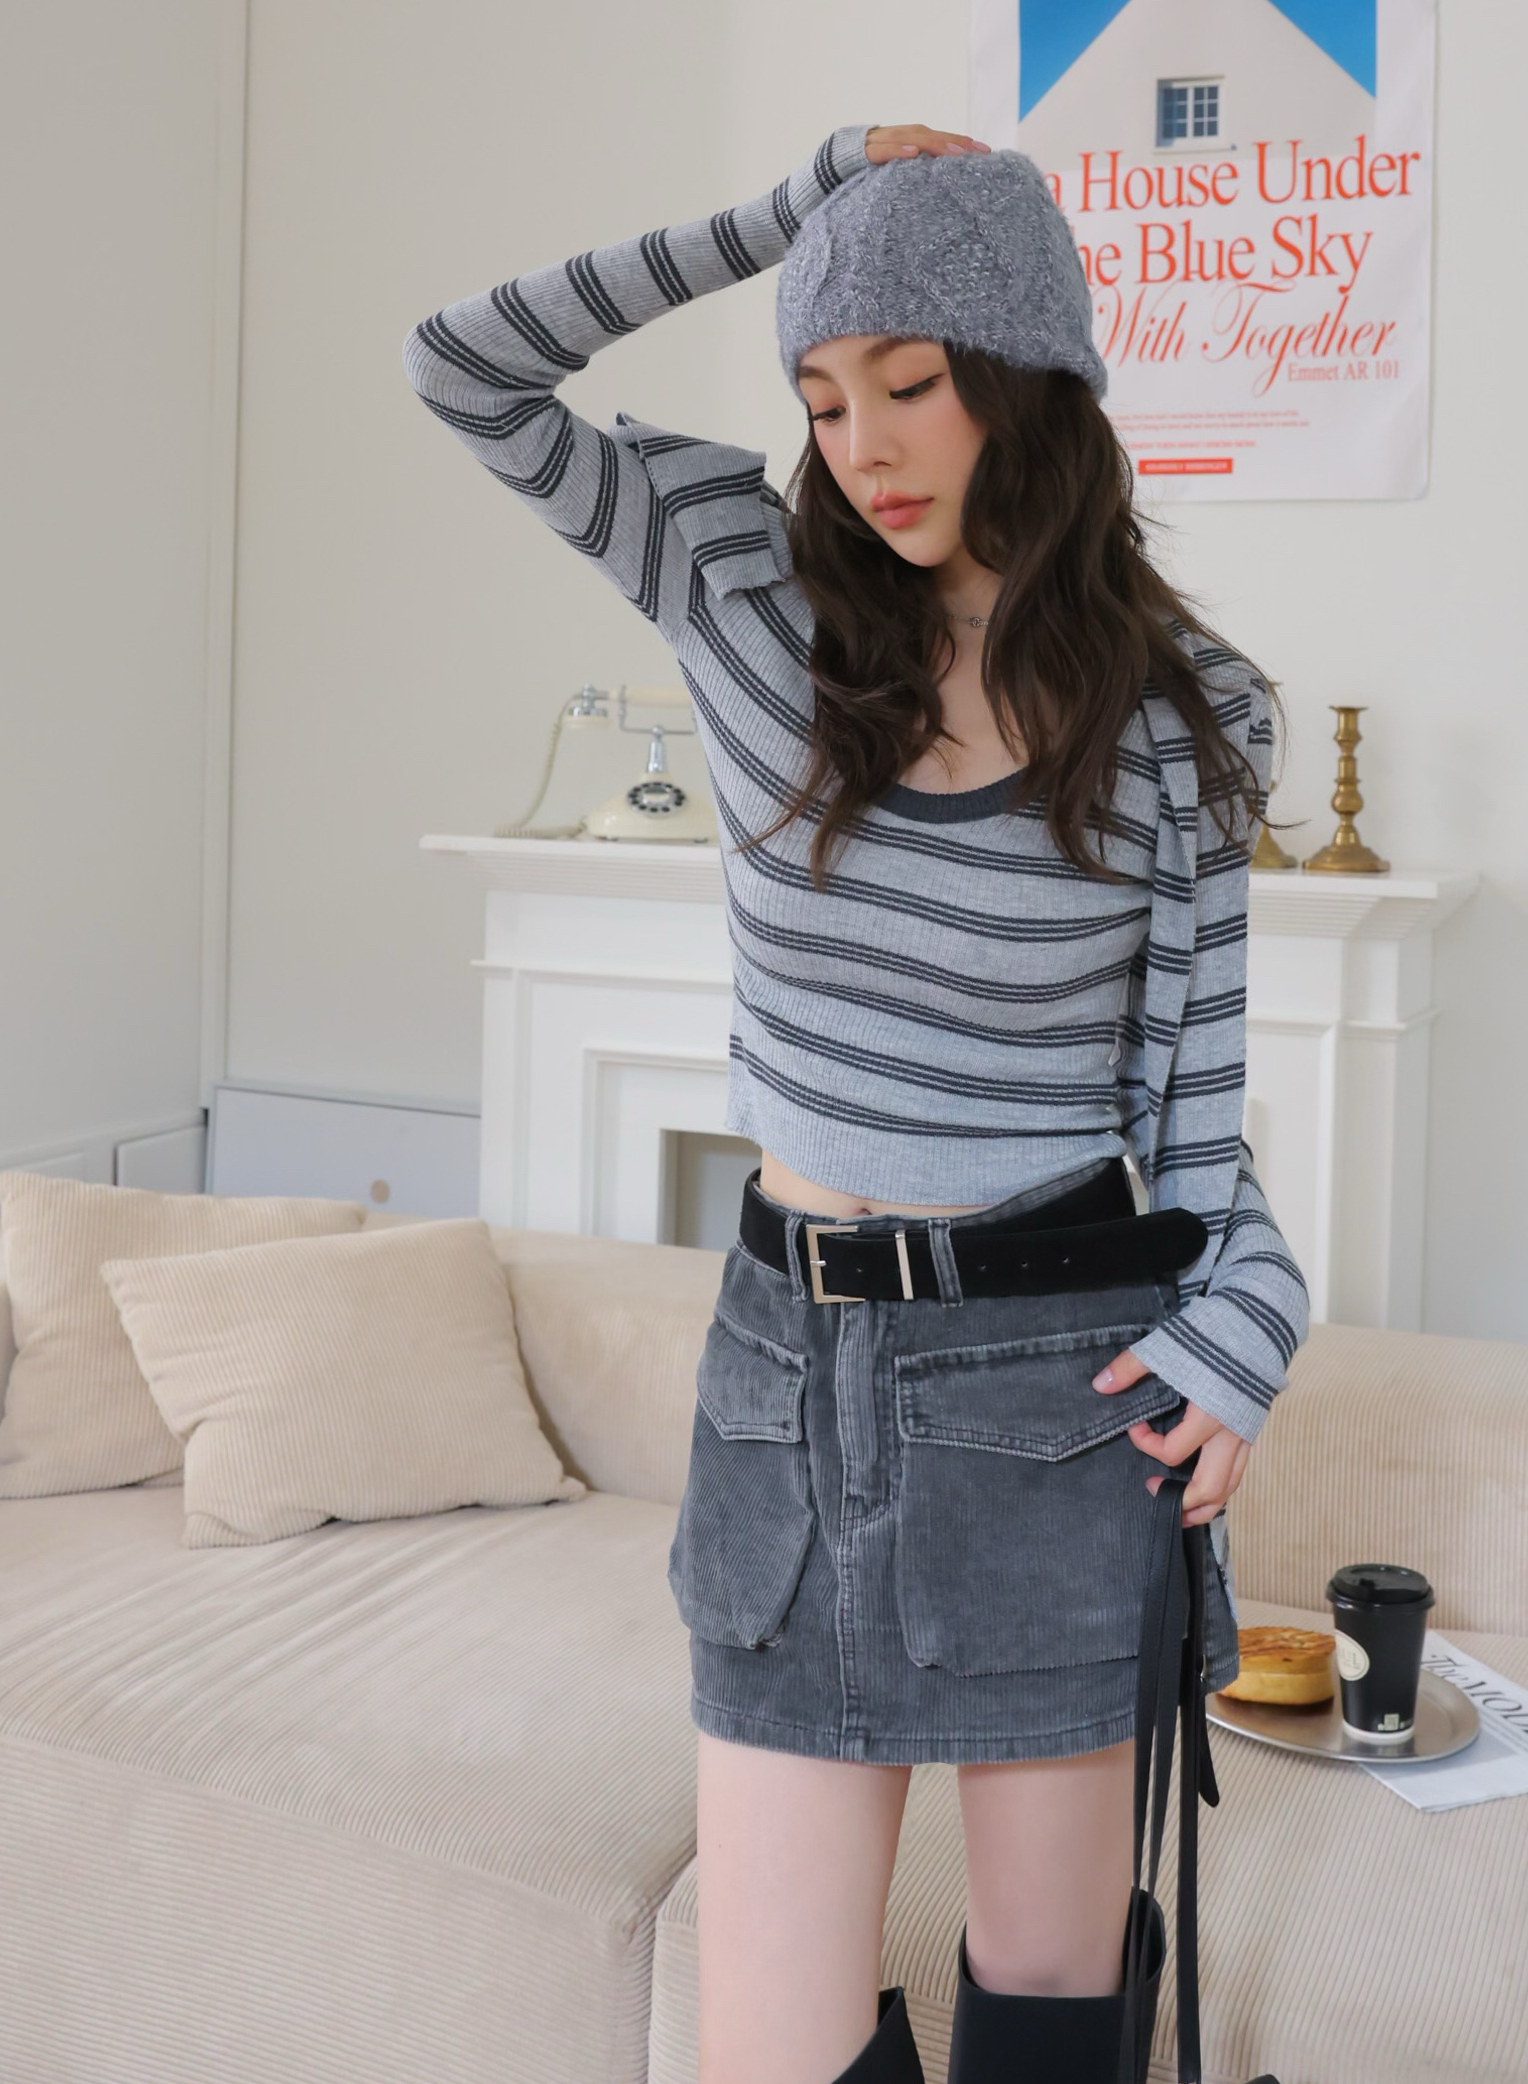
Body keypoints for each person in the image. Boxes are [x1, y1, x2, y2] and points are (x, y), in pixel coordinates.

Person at [404, 122, 1309, 2084]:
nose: (864, 444)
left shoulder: (1183, 715)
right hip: (783, 1379)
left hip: (1053, 1388)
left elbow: (1198, 1115)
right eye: (822, 395)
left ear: (1027, 380)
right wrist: (785, 212)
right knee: (771, 2049)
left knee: (1051, 2015)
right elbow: (464, 362)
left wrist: (1253, 1316)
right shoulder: (740, 583)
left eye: (910, 382)